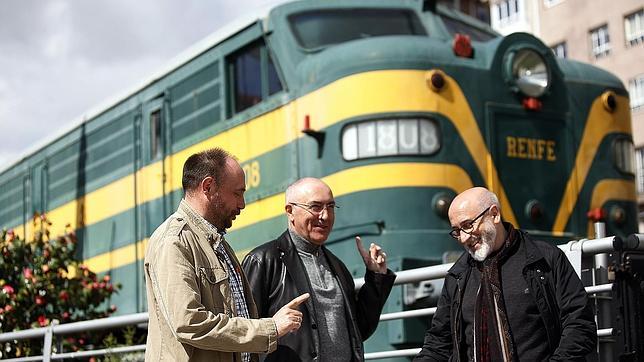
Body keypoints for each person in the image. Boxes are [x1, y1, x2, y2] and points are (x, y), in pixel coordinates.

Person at [144, 148, 309, 362]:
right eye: (237, 193)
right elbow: (189, 322)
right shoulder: (173, 241)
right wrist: (270, 327)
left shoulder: (216, 242)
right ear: (208, 187)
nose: (242, 204)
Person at [414, 187, 597, 361]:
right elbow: (438, 342)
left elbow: (579, 324)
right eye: (456, 231)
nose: (463, 238)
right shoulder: (457, 276)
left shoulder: (546, 259)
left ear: (494, 214)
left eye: (468, 225)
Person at [242, 177, 396, 361]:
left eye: (330, 207)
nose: (325, 216)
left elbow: (359, 331)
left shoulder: (338, 267)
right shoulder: (263, 261)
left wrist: (376, 277)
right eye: (316, 207)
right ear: (290, 211)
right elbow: (243, 333)